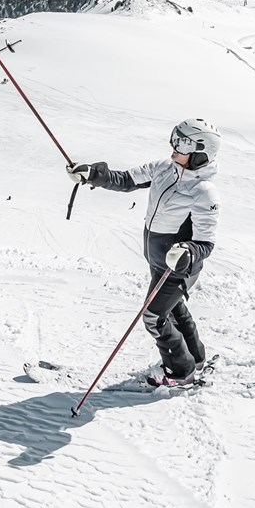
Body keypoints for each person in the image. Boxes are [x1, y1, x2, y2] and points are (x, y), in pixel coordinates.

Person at [67, 119, 222, 387]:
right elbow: (126, 179)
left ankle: (180, 372)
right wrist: (92, 174)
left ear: (200, 153)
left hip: (178, 266)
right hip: (157, 260)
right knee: (173, 309)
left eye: (182, 143)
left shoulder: (203, 192)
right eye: (175, 138)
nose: (174, 146)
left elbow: (205, 244)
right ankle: (195, 359)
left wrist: (186, 250)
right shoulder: (164, 169)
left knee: (154, 317)